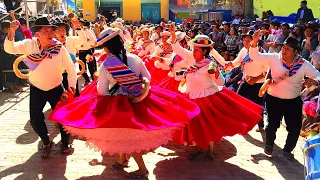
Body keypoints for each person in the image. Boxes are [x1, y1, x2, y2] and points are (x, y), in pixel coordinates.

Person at [48, 28, 200, 178]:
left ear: (107, 47)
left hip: (119, 104)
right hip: (139, 100)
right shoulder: (135, 58)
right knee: (125, 134)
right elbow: (146, 78)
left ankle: (141, 168)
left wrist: (108, 103)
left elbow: (102, 91)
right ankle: (122, 158)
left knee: (126, 136)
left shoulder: (107, 65)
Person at [169, 23, 263, 160]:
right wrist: (173, 34)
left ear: (205, 51)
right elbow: (177, 48)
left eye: (197, 49)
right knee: (194, 123)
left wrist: (218, 74)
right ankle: (199, 147)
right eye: (193, 49)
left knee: (208, 124)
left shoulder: (210, 64)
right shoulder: (191, 57)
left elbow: (220, 83)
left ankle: (210, 151)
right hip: (191, 96)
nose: (193, 51)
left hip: (206, 98)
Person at [4, 17, 77, 158]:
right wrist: (11, 32)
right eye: (46, 31)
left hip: (56, 88)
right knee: (35, 119)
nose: (50, 33)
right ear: (37, 33)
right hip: (37, 88)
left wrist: (71, 88)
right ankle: (46, 142)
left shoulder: (59, 48)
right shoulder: (28, 44)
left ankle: (66, 143)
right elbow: (9, 48)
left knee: (63, 118)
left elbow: (71, 69)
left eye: (51, 30)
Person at [250, 31, 320, 160]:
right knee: (272, 125)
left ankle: (288, 150)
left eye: (288, 49)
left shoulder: (303, 64)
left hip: (292, 101)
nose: (284, 50)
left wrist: (315, 81)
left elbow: (317, 75)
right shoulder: (274, 58)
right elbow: (256, 56)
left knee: (294, 128)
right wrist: (254, 42)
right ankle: (269, 146)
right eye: (283, 48)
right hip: (273, 99)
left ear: (295, 51)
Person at [211, 30, 267, 132]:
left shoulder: (263, 53)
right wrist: (230, 64)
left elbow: (266, 73)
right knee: (238, 101)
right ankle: (239, 122)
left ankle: (260, 125)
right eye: (244, 40)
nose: (245, 43)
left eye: (248, 40)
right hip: (246, 81)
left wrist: (255, 79)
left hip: (258, 83)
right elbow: (237, 62)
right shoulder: (243, 51)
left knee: (258, 106)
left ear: (255, 41)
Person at [53, 18, 86, 97]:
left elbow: (83, 40)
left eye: (63, 30)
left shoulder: (70, 40)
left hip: (71, 73)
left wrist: (78, 28)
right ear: (54, 33)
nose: (62, 32)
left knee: (74, 94)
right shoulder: (51, 44)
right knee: (61, 96)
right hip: (58, 74)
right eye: (59, 30)